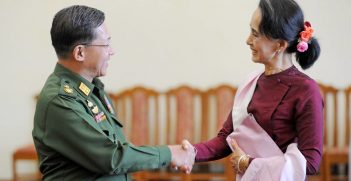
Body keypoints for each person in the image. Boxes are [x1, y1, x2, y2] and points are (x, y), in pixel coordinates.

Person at [32, 5, 195, 180]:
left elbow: (118, 149)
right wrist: (169, 154)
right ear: (80, 52)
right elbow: (111, 157)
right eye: (106, 44)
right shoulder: (61, 100)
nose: (112, 51)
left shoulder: (92, 88)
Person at [185, 0, 323, 180]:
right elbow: (225, 139)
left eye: (255, 34)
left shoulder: (306, 89)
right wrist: (189, 152)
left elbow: (310, 162)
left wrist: (247, 164)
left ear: (279, 45)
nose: (248, 40)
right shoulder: (251, 82)